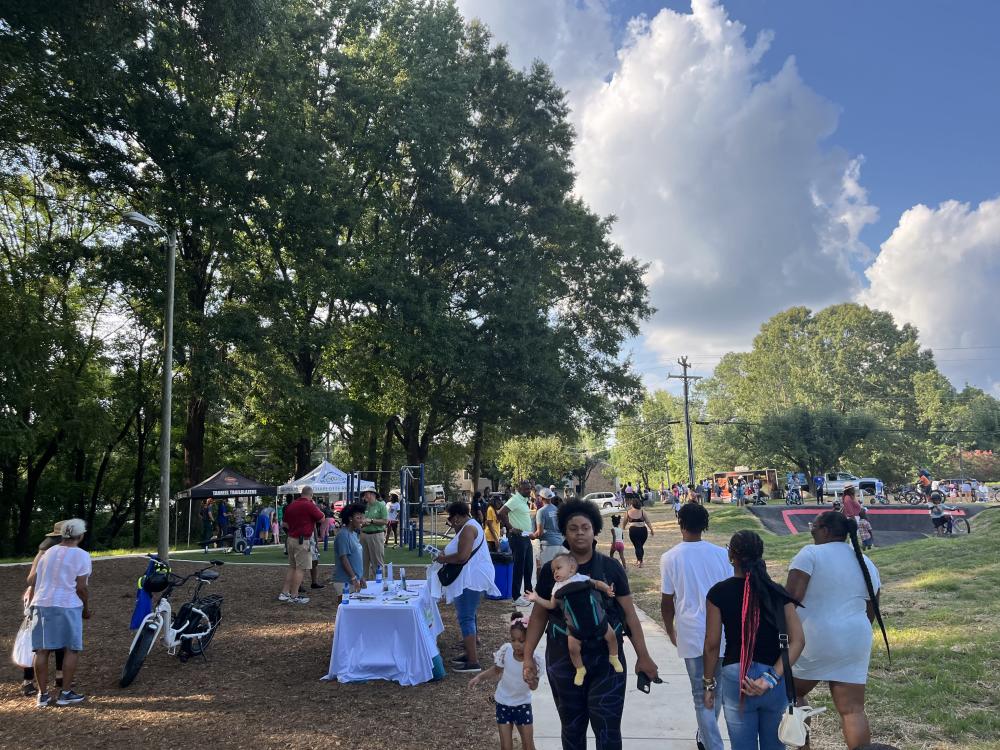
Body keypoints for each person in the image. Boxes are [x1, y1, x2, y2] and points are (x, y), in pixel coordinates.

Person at [522, 500, 659, 750]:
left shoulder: (610, 568)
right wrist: (528, 656)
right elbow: (539, 616)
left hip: (607, 660)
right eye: (573, 528)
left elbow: (629, 614)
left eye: (585, 527)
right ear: (564, 532)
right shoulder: (551, 572)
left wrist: (644, 656)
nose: (579, 532)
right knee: (572, 730)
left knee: (607, 729)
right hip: (564, 659)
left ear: (594, 530)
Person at [785, 511, 886, 750]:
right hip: (855, 638)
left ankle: (804, 747)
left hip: (814, 637)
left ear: (826, 531)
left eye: (815, 527)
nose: (811, 531)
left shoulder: (809, 554)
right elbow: (872, 607)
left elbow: (792, 598)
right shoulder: (865, 561)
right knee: (853, 710)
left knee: (793, 693)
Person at [704, 531, 805, 750]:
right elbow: (798, 641)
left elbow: (712, 645)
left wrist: (708, 684)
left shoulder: (718, 593)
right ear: (760, 554)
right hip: (774, 678)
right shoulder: (778, 593)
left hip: (737, 677)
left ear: (731, 556)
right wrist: (770, 678)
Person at [660, 503, 732, 750]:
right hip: (721, 629)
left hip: (690, 631)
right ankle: (706, 737)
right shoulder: (722, 555)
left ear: (680, 523)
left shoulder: (669, 557)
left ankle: (712, 743)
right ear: (705, 525)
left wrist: (670, 629)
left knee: (700, 695)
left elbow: (667, 600)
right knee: (717, 690)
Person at [527, 551, 623, 686]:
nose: (555, 572)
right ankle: (580, 669)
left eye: (559, 568)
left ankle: (614, 657)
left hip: (596, 620)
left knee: (611, 635)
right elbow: (551, 605)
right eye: (554, 570)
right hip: (574, 627)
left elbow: (596, 584)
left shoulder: (581, 578)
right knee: (573, 648)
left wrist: (607, 589)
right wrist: (536, 598)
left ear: (572, 568)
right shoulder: (556, 588)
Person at [27, 518, 92, 707]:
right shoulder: (82, 555)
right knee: (71, 648)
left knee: (42, 650)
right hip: (67, 604)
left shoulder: (47, 553)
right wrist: (86, 608)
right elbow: (81, 587)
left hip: (41, 603)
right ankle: (65, 692)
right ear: (80, 535)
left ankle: (42, 695)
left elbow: (35, 580)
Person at [438, 501, 500, 673]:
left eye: (450, 519)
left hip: (470, 579)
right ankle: (470, 649)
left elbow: (462, 557)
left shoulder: (468, 529)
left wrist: (443, 559)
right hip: (473, 577)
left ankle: (473, 661)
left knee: (465, 617)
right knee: (469, 615)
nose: (450, 522)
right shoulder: (471, 526)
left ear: (457, 517)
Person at [469, 612, 543, 750]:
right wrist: (479, 677)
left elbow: (534, 687)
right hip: (503, 703)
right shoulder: (506, 651)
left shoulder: (535, 660)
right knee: (506, 746)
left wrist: (532, 682)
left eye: (522, 641)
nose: (517, 645)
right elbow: (496, 670)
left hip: (522, 705)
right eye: (513, 640)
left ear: (530, 640)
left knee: (528, 745)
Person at [18, 522, 68, 697]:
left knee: (52, 639)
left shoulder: (49, 552)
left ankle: (57, 676)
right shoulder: (48, 554)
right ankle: (29, 680)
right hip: (43, 600)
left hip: (46, 600)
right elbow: (32, 579)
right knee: (36, 641)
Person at [278, 486, 325, 604]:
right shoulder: (309, 505)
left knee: (292, 567)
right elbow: (322, 518)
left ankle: (284, 593)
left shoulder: (291, 505)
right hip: (302, 540)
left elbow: (284, 523)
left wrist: (295, 528)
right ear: (311, 495)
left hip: (291, 539)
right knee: (301, 569)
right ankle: (294, 595)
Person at [499, 480, 535, 606]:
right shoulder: (515, 500)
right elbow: (501, 512)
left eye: (529, 488)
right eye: (526, 489)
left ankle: (528, 593)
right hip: (517, 537)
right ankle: (516, 596)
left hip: (525, 537)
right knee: (519, 567)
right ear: (519, 489)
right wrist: (510, 527)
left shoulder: (524, 501)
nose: (528, 491)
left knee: (528, 566)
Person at [332, 503, 366, 603]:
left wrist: (361, 577)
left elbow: (356, 559)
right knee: (346, 610)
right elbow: (344, 558)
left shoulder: (354, 534)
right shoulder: (343, 535)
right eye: (358, 518)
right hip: (345, 581)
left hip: (353, 579)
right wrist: (354, 578)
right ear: (350, 518)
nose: (361, 520)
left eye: (362, 517)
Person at [359, 488, 388, 579]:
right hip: (363, 535)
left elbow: (385, 521)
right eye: (364, 495)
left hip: (376, 535)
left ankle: (379, 583)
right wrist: (362, 523)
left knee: (377, 561)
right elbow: (360, 520)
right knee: (363, 560)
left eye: (366, 494)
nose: (364, 496)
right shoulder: (364, 506)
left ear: (373, 494)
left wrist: (371, 521)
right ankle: (364, 583)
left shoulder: (381, 506)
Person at [534, 488, 564, 566]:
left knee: (547, 571)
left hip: (548, 545)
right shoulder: (556, 509)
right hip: (560, 543)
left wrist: (531, 535)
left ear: (541, 498)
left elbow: (539, 533)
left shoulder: (541, 511)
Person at [622, 497, 654, 568]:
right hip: (643, 531)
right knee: (640, 546)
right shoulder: (642, 511)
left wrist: (623, 527)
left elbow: (624, 521)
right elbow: (647, 521)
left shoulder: (628, 512)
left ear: (632, 504)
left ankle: (640, 561)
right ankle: (640, 560)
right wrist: (651, 529)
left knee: (637, 546)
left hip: (633, 531)